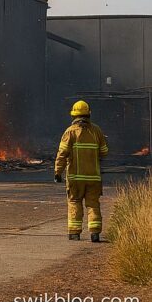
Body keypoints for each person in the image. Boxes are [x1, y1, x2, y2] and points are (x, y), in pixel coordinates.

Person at [54, 99, 109, 241]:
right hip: (93, 177)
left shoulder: (70, 132)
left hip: (75, 178)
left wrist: (57, 172)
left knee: (74, 202)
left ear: (73, 116)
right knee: (93, 204)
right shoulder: (96, 131)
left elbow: (62, 154)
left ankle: (74, 233)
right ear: (88, 114)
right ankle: (95, 233)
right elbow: (104, 152)